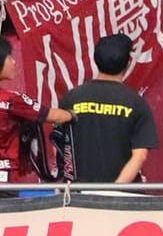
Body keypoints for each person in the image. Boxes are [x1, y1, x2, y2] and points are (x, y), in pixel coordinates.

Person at [0, 36, 71, 186]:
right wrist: (73, 114)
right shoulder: (12, 99)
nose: (14, 62)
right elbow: (54, 116)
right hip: (0, 182)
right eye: (9, 58)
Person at [56, 33, 157, 184]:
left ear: (95, 59)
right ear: (128, 63)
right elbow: (140, 156)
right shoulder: (137, 103)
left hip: (78, 197)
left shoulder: (71, 98)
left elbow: (58, 145)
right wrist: (113, 192)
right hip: (123, 199)